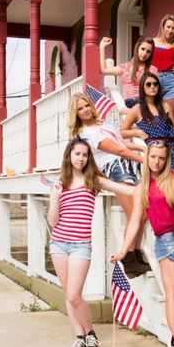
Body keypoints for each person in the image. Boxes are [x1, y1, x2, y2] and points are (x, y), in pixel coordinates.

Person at [110, 140, 174, 347]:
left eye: (161, 157)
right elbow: (135, 222)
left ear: (166, 159)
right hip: (166, 240)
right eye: (153, 157)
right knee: (173, 294)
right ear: (146, 158)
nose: (157, 161)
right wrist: (124, 250)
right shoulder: (142, 187)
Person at [48, 137, 135, 347]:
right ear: (69, 155)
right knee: (69, 294)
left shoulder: (93, 180)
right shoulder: (61, 183)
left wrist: (151, 184)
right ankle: (80, 337)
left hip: (80, 246)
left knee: (75, 295)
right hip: (58, 243)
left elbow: (126, 190)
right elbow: (52, 221)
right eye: (77, 153)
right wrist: (55, 197)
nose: (81, 158)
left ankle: (90, 334)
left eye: (85, 155)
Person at [67, 92, 148, 277]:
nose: (85, 110)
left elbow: (122, 143)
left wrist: (141, 148)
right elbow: (118, 150)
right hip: (117, 168)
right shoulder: (86, 134)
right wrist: (145, 160)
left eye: (87, 105)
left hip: (129, 165)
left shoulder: (101, 124)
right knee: (134, 214)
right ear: (76, 113)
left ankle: (135, 255)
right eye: (80, 108)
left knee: (141, 215)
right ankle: (129, 260)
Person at [120, 72, 174, 172]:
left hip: (170, 151)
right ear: (142, 87)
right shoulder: (137, 109)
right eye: (148, 84)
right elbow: (122, 132)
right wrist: (138, 132)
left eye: (155, 84)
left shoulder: (166, 107)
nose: (152, 86)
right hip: (153, 154)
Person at [99, 35, 155, 107]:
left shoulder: (152, 70)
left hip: (143, 105)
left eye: (148, 52)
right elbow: (104, 70)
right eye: (143, 49)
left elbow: (153, 93)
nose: (144, 54)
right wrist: (102, 47)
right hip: (128, 104)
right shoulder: (126, 67)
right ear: (137, 48)